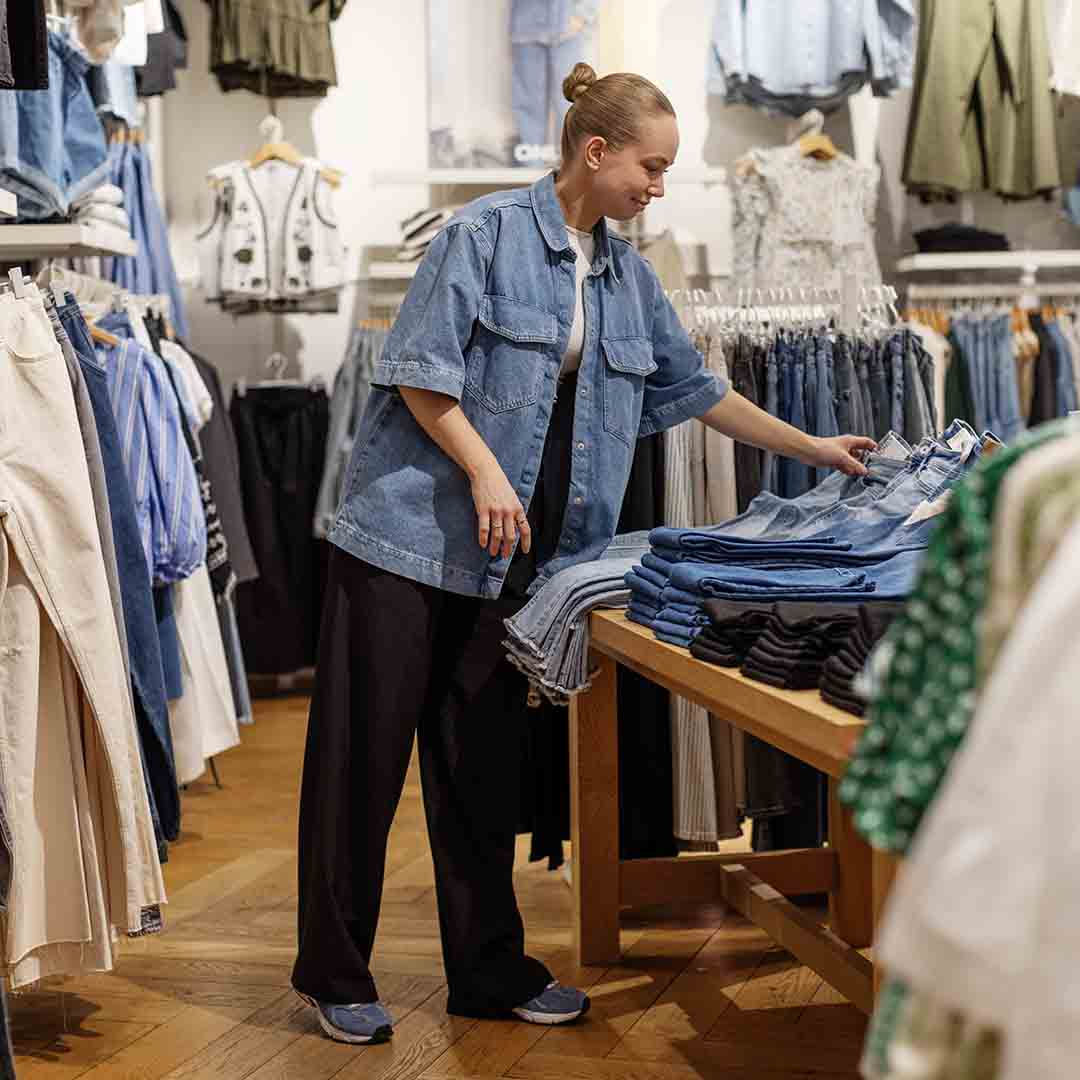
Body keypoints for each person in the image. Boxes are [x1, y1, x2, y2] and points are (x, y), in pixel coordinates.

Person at [291, 62, 876, 1045]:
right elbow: (420, 380)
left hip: (502, 558)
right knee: (360, 766)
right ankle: (331, 972)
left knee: (481, 771)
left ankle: (487, 971)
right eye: (649, 166)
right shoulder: (480, 236)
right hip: (403, 540)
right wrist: (485, 472)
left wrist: (814, 447)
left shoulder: (625, 275)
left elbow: (696, 393)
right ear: (593, 150)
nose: (657, 187)